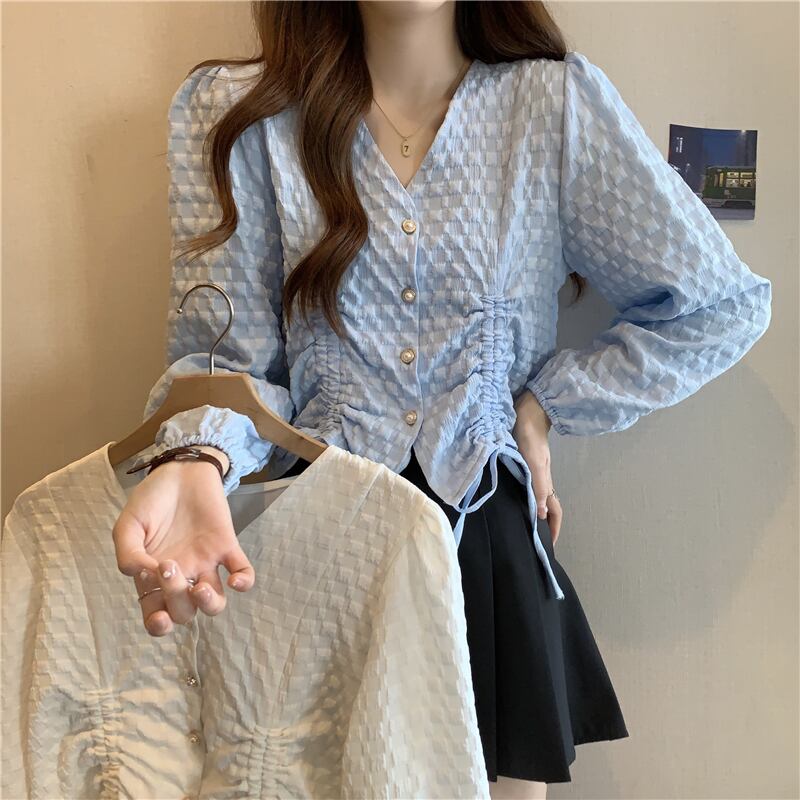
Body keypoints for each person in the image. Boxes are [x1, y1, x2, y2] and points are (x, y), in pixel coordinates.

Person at [111, 2, 772, 797]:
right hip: (317, 549)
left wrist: (542, 405)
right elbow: (225, 363)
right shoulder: (247, 118)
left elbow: (717, 305)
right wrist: (197, 455)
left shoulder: (551, 106)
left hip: (488, 551)